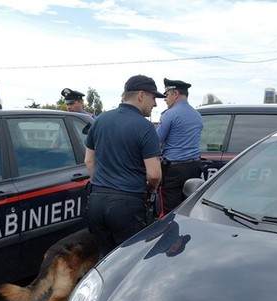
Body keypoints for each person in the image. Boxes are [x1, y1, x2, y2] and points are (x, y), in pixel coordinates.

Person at [84, 74, 165, 257]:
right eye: (153, 98)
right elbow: (154, 175)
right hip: (127, 205)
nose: (155, 104)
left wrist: (103, 182)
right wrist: (151, 192)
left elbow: (88, 161)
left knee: (105, 259)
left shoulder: (100, 120)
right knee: (129, 261)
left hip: (96, 202)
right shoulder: (145, 127)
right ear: (141, 95)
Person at [156, 78, 203, 214]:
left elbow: (156, 140)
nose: (165, 99)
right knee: (188, 208)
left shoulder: (169, 115)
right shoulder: (197, 115)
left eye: (167, 95)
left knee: (171, 211)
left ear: (175, 94)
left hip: (174, 170)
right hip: (194, 168)